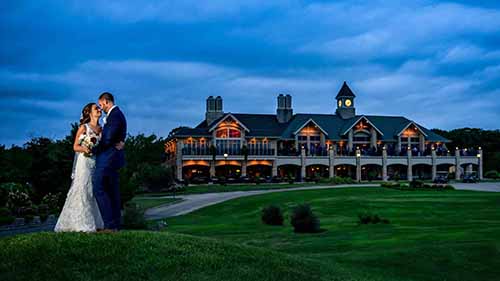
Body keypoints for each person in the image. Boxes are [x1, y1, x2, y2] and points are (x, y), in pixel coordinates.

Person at [93, 92, 127, 232]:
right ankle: (115, 225)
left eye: (101, 105)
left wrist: (92, 149)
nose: (101, 108)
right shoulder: (117, 115)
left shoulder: (115, 115)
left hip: (108, 158)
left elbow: (107, 139)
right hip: (112, 157)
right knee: (112, 191)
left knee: (98, 188)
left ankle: (110, 225)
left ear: (106, 102)